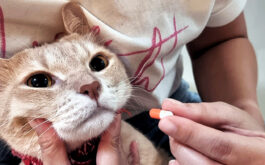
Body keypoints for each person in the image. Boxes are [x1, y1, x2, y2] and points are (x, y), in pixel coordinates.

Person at [0, 0, 264, 164]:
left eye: (97, 64)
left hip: (157, 107)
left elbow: (221, 39)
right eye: (39, 80)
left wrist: (246, 116)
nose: (89, 85)